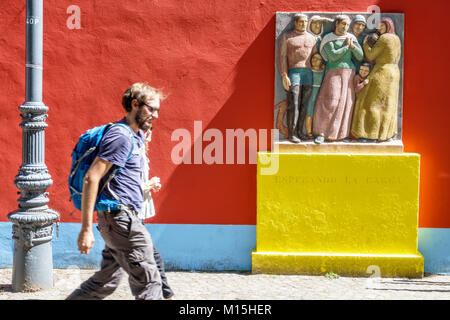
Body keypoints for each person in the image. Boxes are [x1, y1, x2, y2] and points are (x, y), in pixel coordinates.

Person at [66, 82, 165, 300]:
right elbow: (92, 177)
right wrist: (86, 228)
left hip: (120, 220)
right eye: (151, 108)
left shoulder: (135, 135)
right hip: (120, 220)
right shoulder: (120, 136)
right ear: (135, 104)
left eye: (158, 110)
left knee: (106, 281)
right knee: (150, 281)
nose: (156, 115)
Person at [313, 15, 363, 144]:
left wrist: (352, 47)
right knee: (331, 102)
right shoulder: (329, 38)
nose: (345, 27)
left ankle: (341, 134)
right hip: (333, 72)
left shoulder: (350, 38)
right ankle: (321, 132)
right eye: (343, 24)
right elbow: (333, 56)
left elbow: (360, 56)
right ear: (336, 24)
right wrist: (347, 47)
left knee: (345, 103)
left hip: (349, 73)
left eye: (347, 25)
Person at [351, 18, 401, 142]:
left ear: (388, 26)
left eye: (382, 26)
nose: (379, 28)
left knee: (369, 101)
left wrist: (365, 44)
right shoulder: (397, 39)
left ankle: (370, 134)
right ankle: (386, 134)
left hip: (382, 71)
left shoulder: (385, 38)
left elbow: (370, 55)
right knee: (388, 104)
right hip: (394, 72)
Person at [140, 127, 175, 300]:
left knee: (150, 261)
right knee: (153, 260)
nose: (150, 139)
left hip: (135, 217)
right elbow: (127, 186)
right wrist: (148, 185)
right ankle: (168, 296)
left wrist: (150, 185)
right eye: (149, 134)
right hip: (130, 217)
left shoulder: (140, 154)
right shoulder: (132, 153)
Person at [278, 13, 317, 143]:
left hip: (308, 73)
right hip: (294, 71)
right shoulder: (287, 37)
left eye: (305, 22)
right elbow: (282, 57)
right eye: (300, 22)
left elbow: (316, 57)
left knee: (305, 104)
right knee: (293, 103)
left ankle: (300, 131)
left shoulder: (312, 38)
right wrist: (284, 75)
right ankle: (292, 132)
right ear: (295, 22)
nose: (303, 24)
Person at [305, 53, 325, 138]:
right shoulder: (308, 70)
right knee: (309, 112)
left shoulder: (323, 71)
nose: (315, 60)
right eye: (313, 58)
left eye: (318, 59)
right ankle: (308, 132)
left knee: (319, 113)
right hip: (311, 93)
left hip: (320, 93)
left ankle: (319, 130)